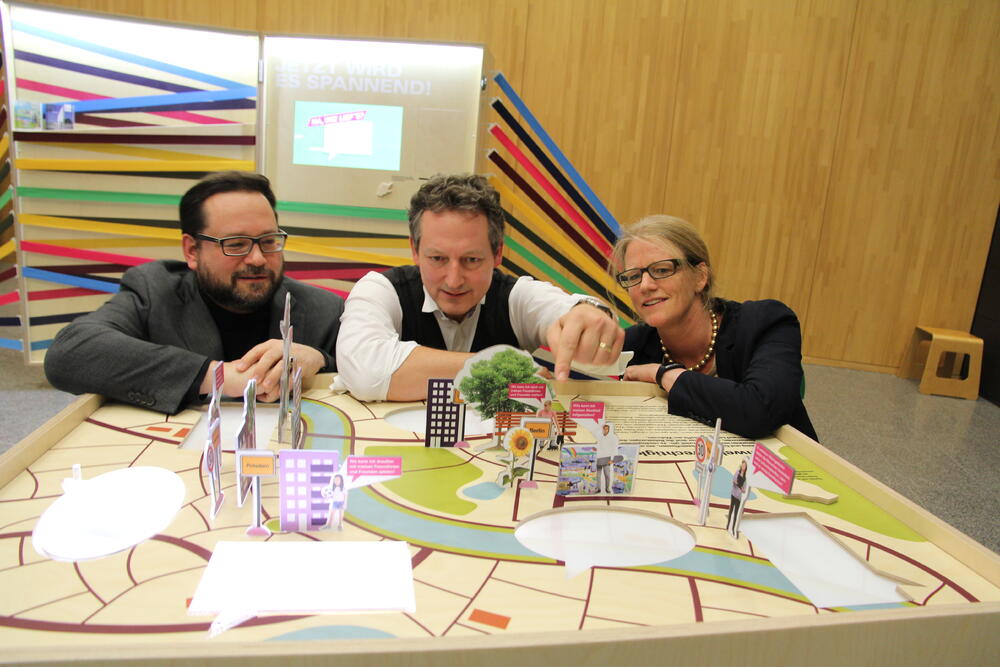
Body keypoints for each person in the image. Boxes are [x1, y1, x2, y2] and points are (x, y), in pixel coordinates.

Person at [44, 171, 344, 414]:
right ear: (192, 250)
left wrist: (319, 359)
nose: (257, 259)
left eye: (269, 241)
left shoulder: (322, 308)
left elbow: (375, 367)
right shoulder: (154, 290)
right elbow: (70, 353)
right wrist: (218, 376)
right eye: (236, 244)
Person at [335, 174, 623, 401]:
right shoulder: (380, 289)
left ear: (497, 253)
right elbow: (365, 371)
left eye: (472, 260)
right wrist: (503, 367)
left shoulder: (516, 297)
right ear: (414, 250)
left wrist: (590, 316)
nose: (454, 279)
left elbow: (567, 310)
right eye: (437, 259)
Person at [613, 215, 817, 441]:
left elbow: (758, 412)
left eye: (662, 270)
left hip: (776, 470)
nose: (645, 286)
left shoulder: (766, 322)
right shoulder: (631, 344)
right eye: (633, 276)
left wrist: (663, 375)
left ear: (700, 277)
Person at [726, 459, 749, 537]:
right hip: (733, 494)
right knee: (731, 510)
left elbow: (744, 489)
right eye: (742, 465)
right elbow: (733, 480)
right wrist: (735, 482)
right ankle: (728, 525)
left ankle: (733, 528)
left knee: (736, 513)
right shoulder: (737, 472)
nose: (743, 467)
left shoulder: (745, 477)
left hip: (739, 496)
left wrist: (743, 490)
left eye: (745, 466)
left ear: (746, 468)